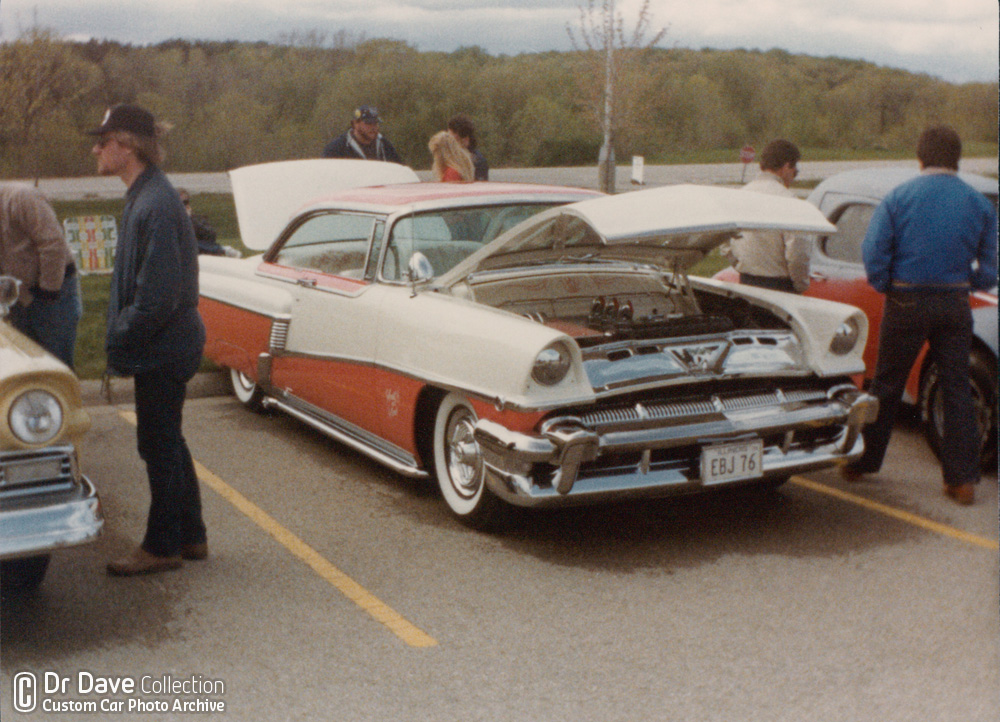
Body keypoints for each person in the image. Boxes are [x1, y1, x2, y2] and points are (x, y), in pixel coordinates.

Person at [843, 126, 997, 505]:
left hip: (906, 300)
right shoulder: (979, 204)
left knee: (886, 384)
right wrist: (966, 281)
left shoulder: (899, 197)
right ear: (957, 160)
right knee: (956, 387)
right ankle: (961, 480)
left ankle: (864, 463)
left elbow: (874, 250)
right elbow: (991, 270)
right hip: (954, 303)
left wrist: (886, 284)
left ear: (920, 157)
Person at [88, 104, 209, 575]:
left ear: (129, 145)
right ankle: (192, 535)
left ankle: (163, 545)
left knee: (157, 445)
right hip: (166, 344)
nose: (95, 149)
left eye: (103, 140)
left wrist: (119, 331)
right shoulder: (147, 194)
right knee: (167, 440)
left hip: (164, 346)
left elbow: (156, 299)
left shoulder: (155, 202)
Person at [0, 183, 82, 368]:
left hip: (54, 291)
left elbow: (52, 243)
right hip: (18, 296)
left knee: (56, 365)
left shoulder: (22, 197)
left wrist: (47, 292)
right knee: (28, 365)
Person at [724, 139, 810, 293]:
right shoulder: (790, 202)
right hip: (779, 286)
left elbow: (724, 241)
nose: (794, 176)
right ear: (786, 167)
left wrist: (739, 265)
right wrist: (800, 286)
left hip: (746, 282)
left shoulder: (738, 197)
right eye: (794, 170)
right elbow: (798, 254)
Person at [321, 105, 403, 163]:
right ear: (355, 124)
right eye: (368, 123)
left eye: (376, 123)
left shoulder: (385, 145)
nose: (373, 127)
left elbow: (399, 170)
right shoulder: (336, 149)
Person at [177, 188, 239, 257]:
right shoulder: (169, 216)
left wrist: (189, 218)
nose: (182, 205)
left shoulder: (194, 219)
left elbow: (210, 235)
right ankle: (221, 250)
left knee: (190, 244)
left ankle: (221, 250)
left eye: (185, 202)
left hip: (194, 245)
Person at [447, 114, 489, 181]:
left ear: (465, 139)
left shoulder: (478, 161)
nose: (449, 142)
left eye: (453, 140)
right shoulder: (451, 157)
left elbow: (479, 187)